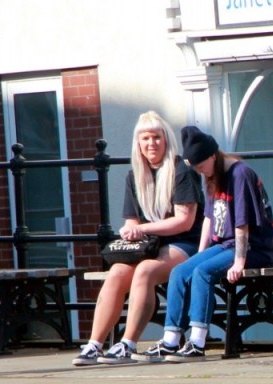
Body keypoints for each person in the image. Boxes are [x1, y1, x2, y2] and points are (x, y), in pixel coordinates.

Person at [132, 125, 273, 363]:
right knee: (181, 271)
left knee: (202, 272)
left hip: (252, 247)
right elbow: (208, 219)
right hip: (224, 245)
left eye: (201, 166)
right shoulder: (212, 175)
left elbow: (242, 223)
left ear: (212, 156)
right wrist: (199, 254)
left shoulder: (239, 174)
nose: (201, 172)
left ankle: (198, 341)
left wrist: (240, 261)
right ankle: (171, 339)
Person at [72, 111, 204, 366]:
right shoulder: (135, 176)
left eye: (157, 137)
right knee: (118, 272)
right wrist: (130, 230)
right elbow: (131, 219)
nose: (151, 143)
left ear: (166, 140)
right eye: (145, 138)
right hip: (150, 244)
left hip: (185, 242)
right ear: (138, 143)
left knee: (145, 271)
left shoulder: (181, 171)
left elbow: (184, 220)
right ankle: (95, 344)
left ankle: (127, 344)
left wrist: (143, 229)